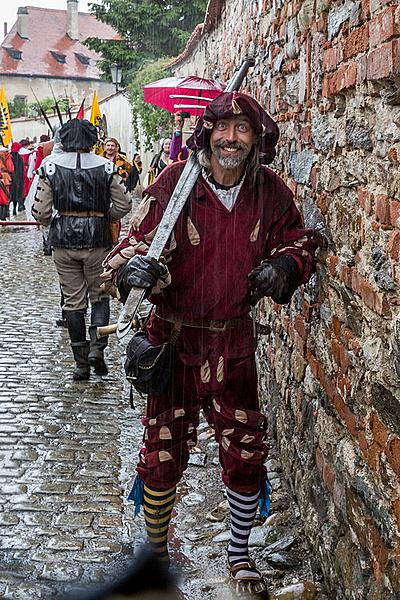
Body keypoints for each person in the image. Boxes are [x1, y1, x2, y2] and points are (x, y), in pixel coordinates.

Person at [101, 91, 317, 596]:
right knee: (161, 454)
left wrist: (286, 265)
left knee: (246, 453)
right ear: (207, 133)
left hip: (233, 343)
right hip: (172, 342)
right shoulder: (175, 184)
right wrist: (131, 266)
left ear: (256, 138)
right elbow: (130, 241)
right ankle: (155, 554)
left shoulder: (271, 193)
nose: (231, 139)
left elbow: (299, 238)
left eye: (243, 130)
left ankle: (239, 555)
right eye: (222, 128)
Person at [32, 119, 132, 380]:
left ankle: (80, 363)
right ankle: (97, 348)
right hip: (97, 238)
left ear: (63, 140)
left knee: (73, 301)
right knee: (99, 296)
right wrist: (104, 216)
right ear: (93, 140)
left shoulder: (50, 167)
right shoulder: (107, 167)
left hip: (63, 239)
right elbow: (123, 204)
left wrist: (56, 220)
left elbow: (40, 212)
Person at [10, 142, 24, 215]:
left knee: (9, 195)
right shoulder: (20, 158)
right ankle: (15, 209)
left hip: (10, 179)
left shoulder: (8, 157)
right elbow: (22, 170)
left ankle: (6, 212)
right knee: (17, 194)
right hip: (18, 179)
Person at [0, 141, 14, 219]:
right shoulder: (7, 156)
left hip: (2, 176)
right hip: (5, 177)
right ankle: (4, 214)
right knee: (5, 196)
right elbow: (10, 168)